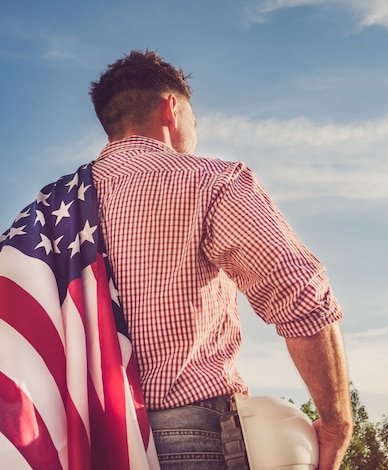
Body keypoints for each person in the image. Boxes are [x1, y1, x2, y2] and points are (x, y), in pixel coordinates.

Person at [88, 49, 353, 469]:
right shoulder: (211, 182)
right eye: (194, 117)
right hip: (195, 440)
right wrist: (337, 424)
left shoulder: (44, 215)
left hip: (83, 445)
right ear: (171, 109)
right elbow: (300, 296)